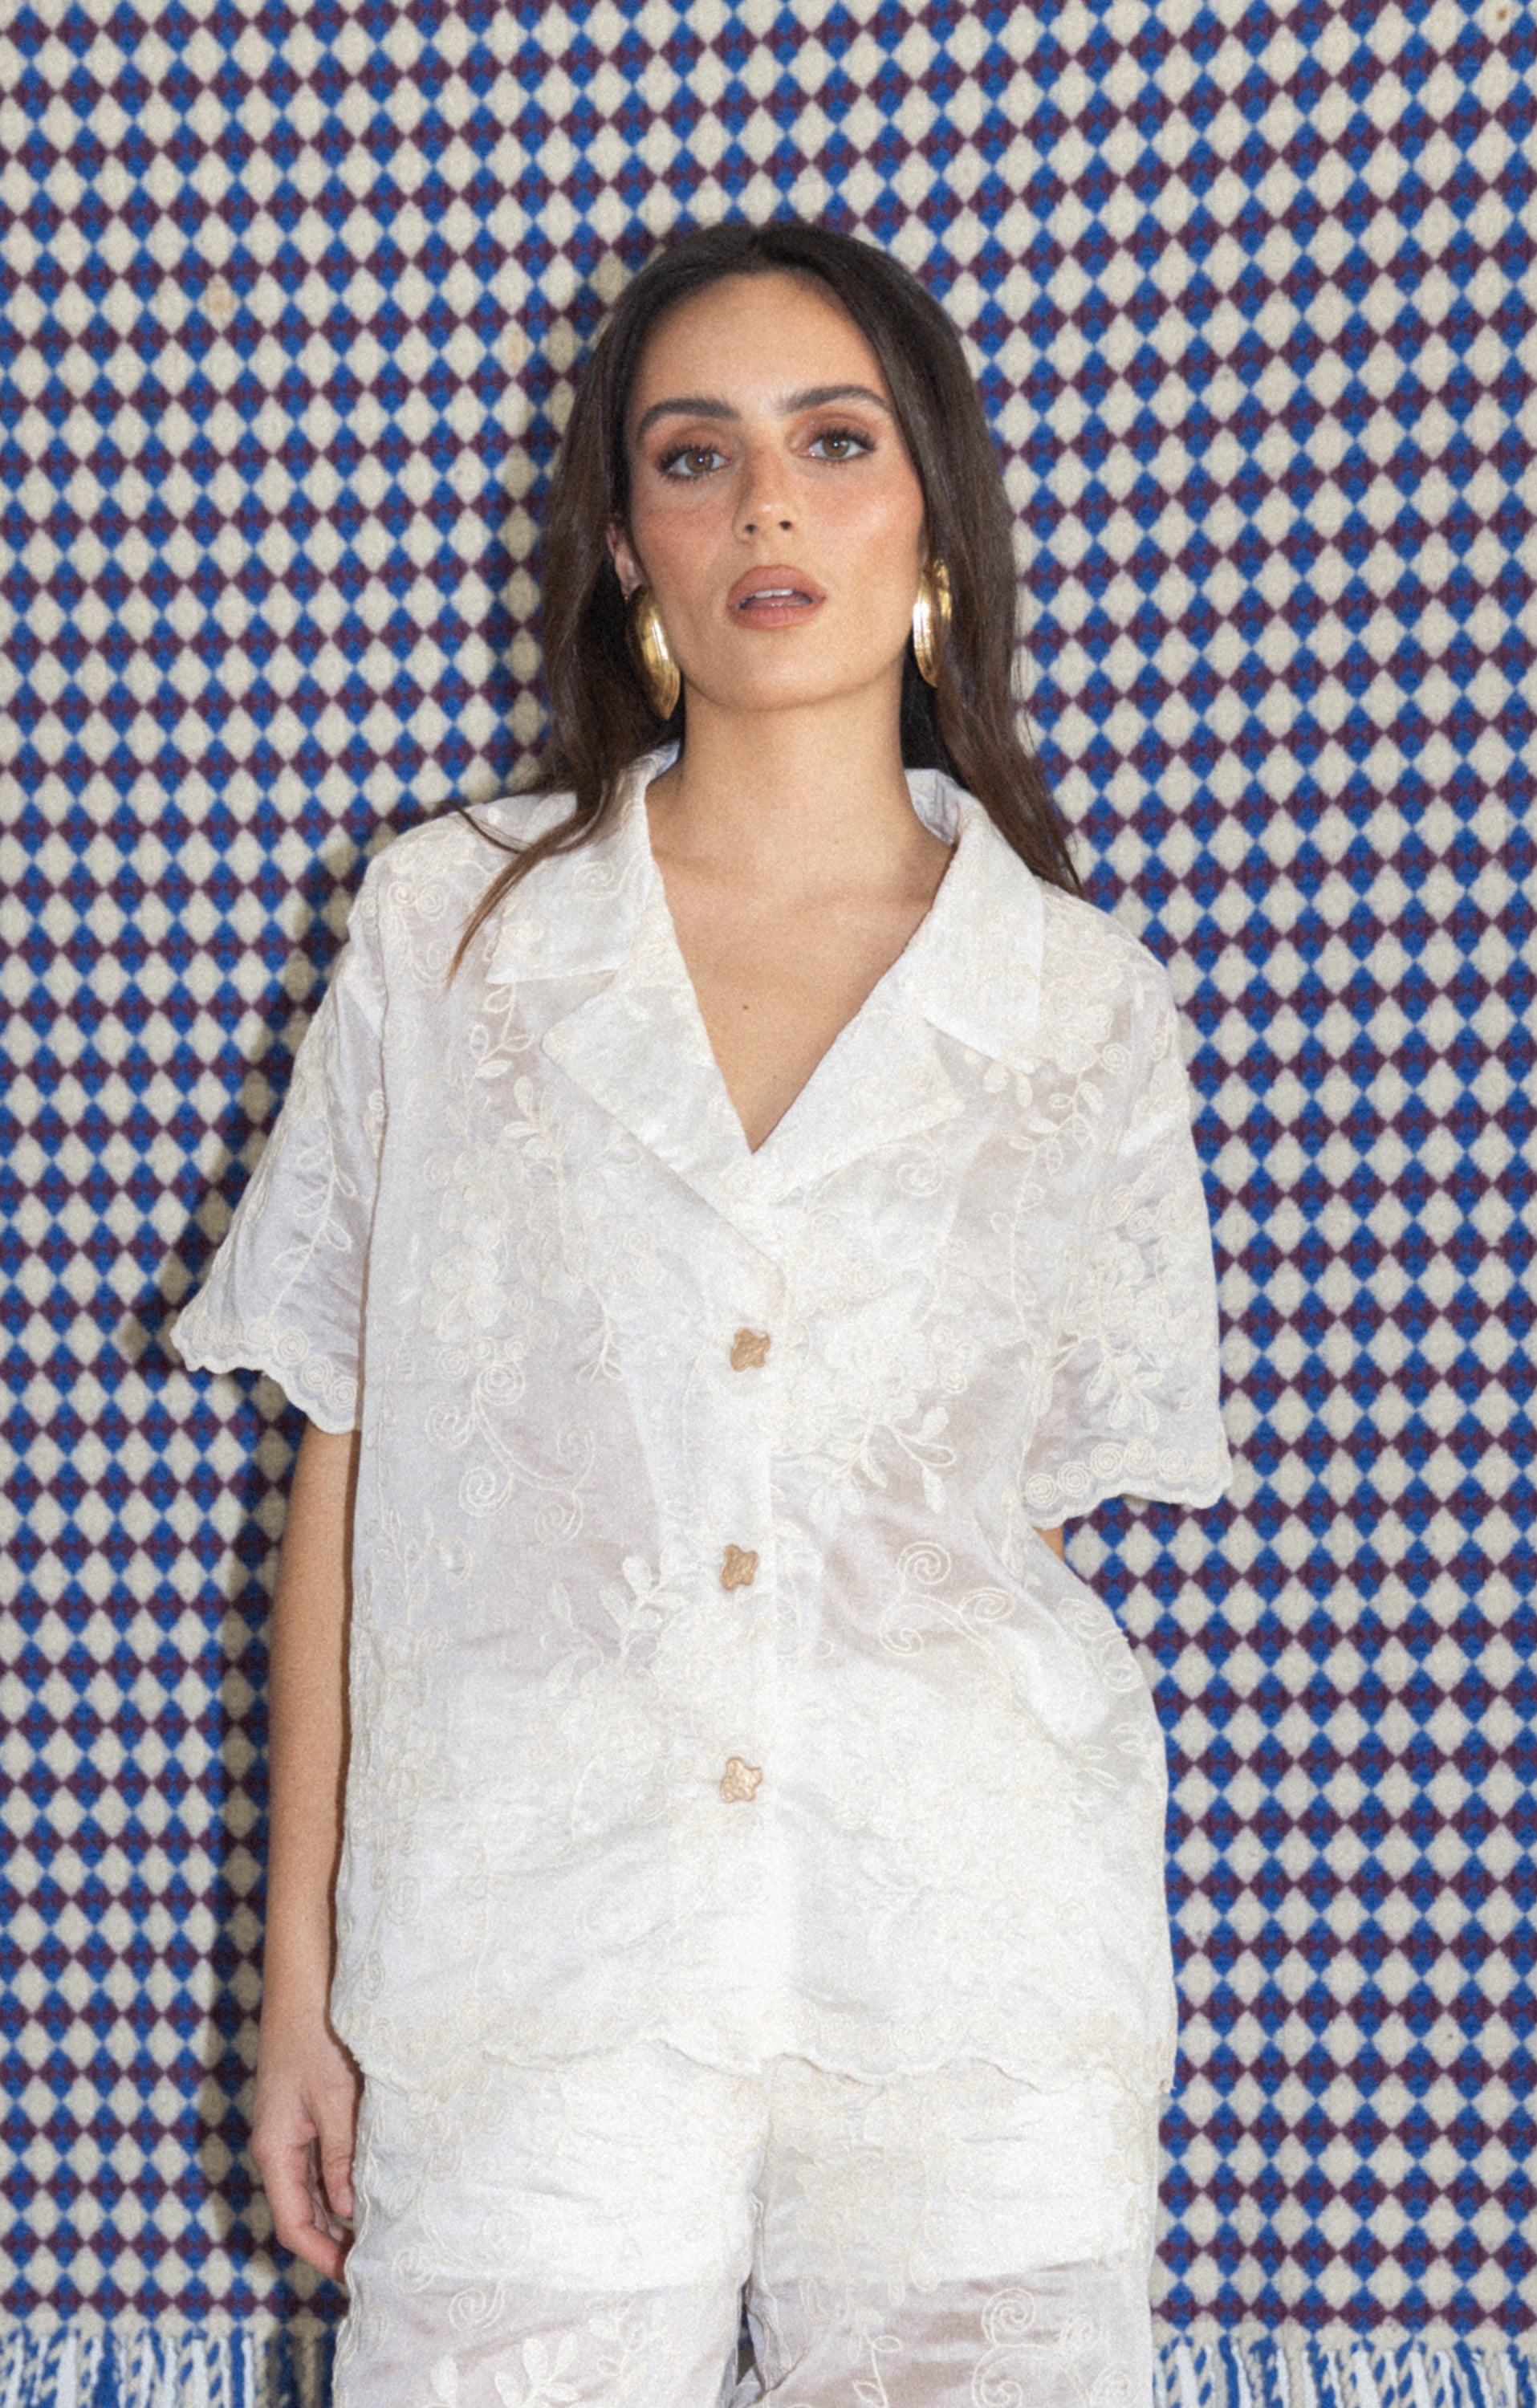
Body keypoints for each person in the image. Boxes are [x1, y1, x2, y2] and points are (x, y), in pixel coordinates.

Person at [173, 220, 1231, 2408]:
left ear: (932, 515)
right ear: (620, 541)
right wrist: (302, 1978)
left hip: (967, 1975)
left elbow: (1012, 1528)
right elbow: (349, 1454)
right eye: (693, 453)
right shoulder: (451, 931)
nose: (765, 505)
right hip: (527, 1947)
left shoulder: (1076, 1002)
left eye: (833, 442)